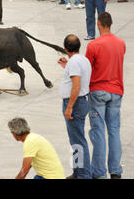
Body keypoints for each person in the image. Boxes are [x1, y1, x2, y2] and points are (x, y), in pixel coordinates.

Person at [85, 12, 125, 179]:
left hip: (98, 91)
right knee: (114, 131)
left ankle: (99, 172)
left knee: (98, 131)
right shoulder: (121, 43)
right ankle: (115, 170)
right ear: (112, 23)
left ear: (98, 24)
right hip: (116, 91)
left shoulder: (93, 45)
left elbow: (87, 70)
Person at [57, 35, 92, 179]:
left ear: (65, 48)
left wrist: (69, 106)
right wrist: (67, 67)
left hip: (75, 104)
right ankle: (78, 172)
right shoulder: (81, 60)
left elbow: (76, 86)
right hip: (80, 102)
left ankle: (83, 174)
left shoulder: (74, 63)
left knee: (78, 140)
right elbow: (77, 78)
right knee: (75, 140)